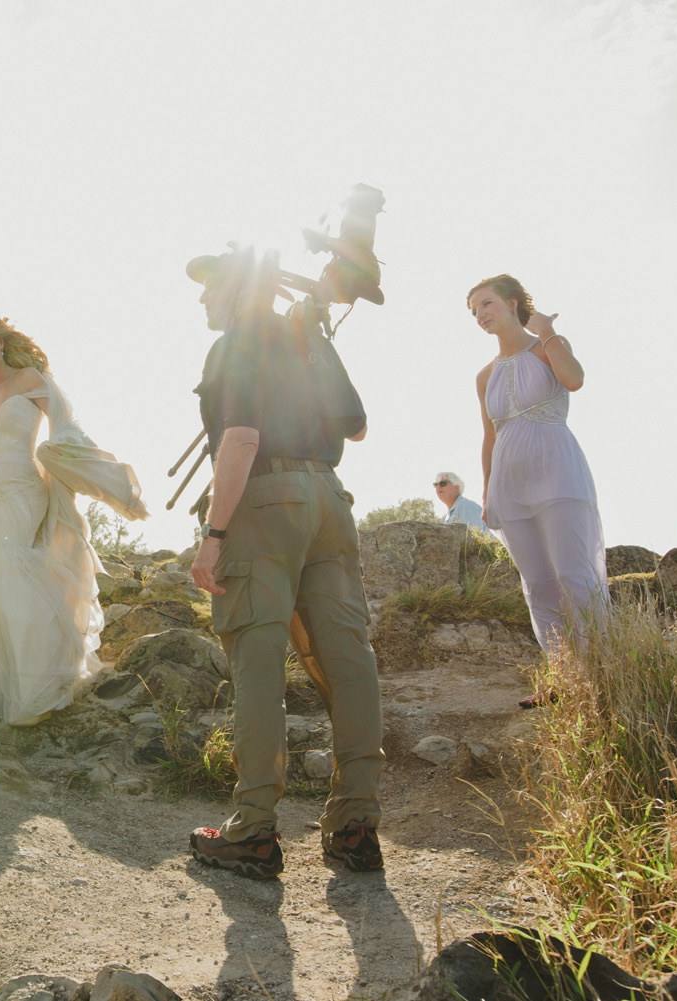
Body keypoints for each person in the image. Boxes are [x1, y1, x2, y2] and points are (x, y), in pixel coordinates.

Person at [184, 246, 385, 878]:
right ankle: (356, 826)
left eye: (211, 285)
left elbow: (240, 439)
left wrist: (215, 532)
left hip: (264, 502)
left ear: (240, 290)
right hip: (329, 497)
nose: (202, 298)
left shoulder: (237, 343)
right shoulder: (306, 341)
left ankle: (252, 829)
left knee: (259, 661)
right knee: (348, 660)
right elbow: (355, 428)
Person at [0, 312, 146, 726]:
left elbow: (65, 422)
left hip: (24, 490)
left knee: (11, 573)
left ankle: (35, 684)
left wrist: (65, 457)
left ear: (0, 344)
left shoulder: (31, 379)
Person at [468, 274, 609, 692]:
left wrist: (547, 331)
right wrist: (487, 489)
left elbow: (575, 379)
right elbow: (490, 435)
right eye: (475, 310)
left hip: (558, 471)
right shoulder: (483, 376)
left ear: (513, 304)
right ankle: (565, 680)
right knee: (537, 584)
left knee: (574, 574)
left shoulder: (548, 346)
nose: (480, 315)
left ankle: (605, 670)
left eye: (487, 304)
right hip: (510, 484)